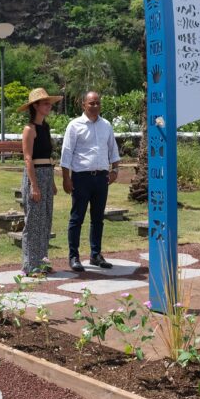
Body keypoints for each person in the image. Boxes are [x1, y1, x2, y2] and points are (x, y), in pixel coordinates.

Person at [60, 91, 120, 272]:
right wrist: (66, 178)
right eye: (91, 103)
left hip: (101, 178)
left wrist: (115, 170)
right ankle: (74, 256)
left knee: (98, 218)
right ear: (83, 105)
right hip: (81, 178)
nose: (95, 106)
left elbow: (113, 149)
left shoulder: (106, 125)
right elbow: (66, 152)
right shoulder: (74, 125)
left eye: (97, 103)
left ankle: (95, 254)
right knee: (77, 218)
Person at [17, 88, 62, 277]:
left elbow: (47, 157)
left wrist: (51, 183)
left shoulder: (46, 127)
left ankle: (42, 262)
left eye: (49, 103)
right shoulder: (30, 129)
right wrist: (34, 185)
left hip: (46, 175)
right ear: (35, 106)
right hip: (34, 177)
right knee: (33, 222)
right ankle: (30, 265)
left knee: (45, 221)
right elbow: (28, 159)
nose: (48, 106)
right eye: (45, 103)